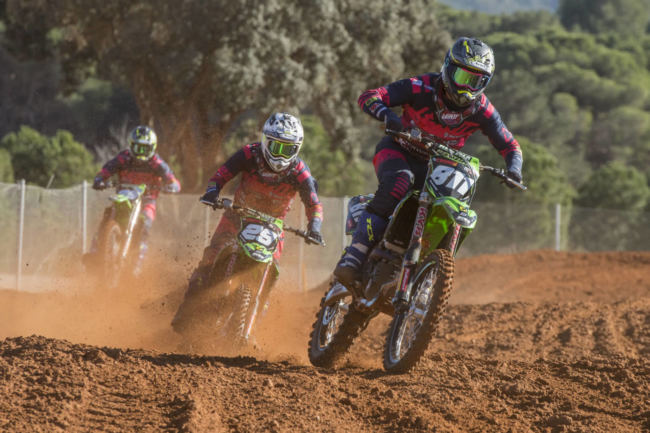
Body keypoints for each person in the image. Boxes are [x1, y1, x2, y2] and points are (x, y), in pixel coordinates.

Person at [334, 37, 524, 287]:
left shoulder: (483, 110)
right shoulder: (420, 87)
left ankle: (422, 269)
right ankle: (355, 255)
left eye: (476, 81)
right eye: (463, 77)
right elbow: (370, 96)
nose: (467, 87)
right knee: (400, 182)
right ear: (448, 68)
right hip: (398, 150)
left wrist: (514, 169)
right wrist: (388, 115)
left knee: (452, 201)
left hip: (438, 166)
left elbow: (510, 145)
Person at [186, 112, 323, 293]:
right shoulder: (249, 154)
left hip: (273, 226)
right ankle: (190, 298)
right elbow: (221, 174)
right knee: (212, 254)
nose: (280, 155)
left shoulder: (300, 172)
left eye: (287, 150)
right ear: (266, 141)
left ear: (297, 149)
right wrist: (212, 192)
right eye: (276, 147)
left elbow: (314, 204)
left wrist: (314, 227)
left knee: (273, 266)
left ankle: (262, 302)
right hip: (238, 214)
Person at [89, 125, 181, 275]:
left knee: (145, 224)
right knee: (108, 215)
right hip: (124, 195)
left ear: (152, 148)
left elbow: (173, 180)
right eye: (138, 148)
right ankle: (94, 251)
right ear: (131, 146)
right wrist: (100, 179)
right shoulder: (123, 158)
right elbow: (107, 169)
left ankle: (136, 266)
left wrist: (171, 186)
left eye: (145, 148)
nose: (141, 152)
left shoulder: (157, 163)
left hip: (147, 200)